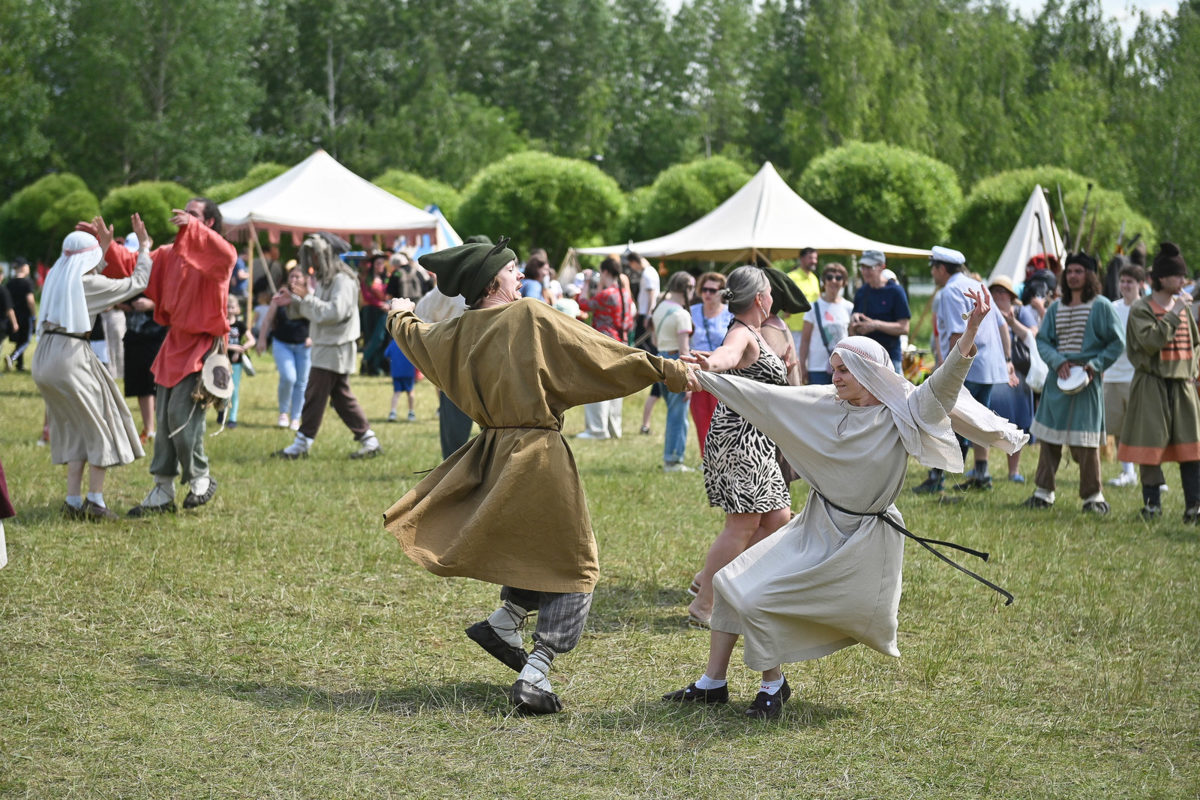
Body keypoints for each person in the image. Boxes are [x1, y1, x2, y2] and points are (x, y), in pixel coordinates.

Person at [665, 287, 1024, 719]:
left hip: (860, 543)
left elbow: (943, 387)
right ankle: (713, 683)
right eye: (832, 368)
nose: (834, 377)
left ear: (868, 372)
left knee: (759, 597)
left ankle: (772, 686)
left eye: (844, 370)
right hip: (814, 526)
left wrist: (968, 333)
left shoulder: (904, 413)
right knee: (729, 583)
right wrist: (704, 376)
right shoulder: (824, 403)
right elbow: (764, 398)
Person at [383, 237, 696, 715]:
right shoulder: (528, 314)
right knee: (575, 565)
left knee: (536, 548)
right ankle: (537, 670)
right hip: (537, 457)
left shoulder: (452, 333)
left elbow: (413, 336)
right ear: (492, 281)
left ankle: (506, 621)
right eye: (512, 271)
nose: (521, 276)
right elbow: (596, 351)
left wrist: (398, 312)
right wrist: (666, 370)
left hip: (491, 456)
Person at [91, 198, 237, 516]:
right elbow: (133, 266)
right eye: (184, 213)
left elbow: (227, 255)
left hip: (203, 346)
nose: (183, 218)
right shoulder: (170, 254)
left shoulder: (218, 254)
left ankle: (201, 477)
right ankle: (162, 489)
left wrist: (194, 228)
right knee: (163, 418)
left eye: (194, 215)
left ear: (209, 223)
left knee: (181, 417)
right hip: (173, 344)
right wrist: (107, 248)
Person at [685, 266, 793, 630]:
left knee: (778, 520)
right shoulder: (741, 334)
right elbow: (726, 356)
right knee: (743, 522)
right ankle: (705, 604)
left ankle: (709, 577)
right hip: (739, 440)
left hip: (758, 439)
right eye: (771, 292)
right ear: (761, 298)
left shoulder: (758, 333)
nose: (774, 297)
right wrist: (710, 363)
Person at [33, 220, 153, 519]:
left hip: (45, 356)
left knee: (75, 427)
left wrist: (104, 246)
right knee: (103, 422)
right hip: (70, 355)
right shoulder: (86, 284)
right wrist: (145, 247)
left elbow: (86, 267)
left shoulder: (56, 278)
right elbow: (136, 284)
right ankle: (95, 501)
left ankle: (73, 502)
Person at [1023, 253, 1124, 514]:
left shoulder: (1102, 306)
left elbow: (1117, 342)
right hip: (1058, 379)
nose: (1073, 276)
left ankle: (1093, 496)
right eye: (1069, 271)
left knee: (1086, 442)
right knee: (1048, 438)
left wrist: (1094, 366)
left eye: (1079, 271)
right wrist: (1057, 362)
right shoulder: (1056, 307)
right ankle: (1043, 492)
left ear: (1089, 275)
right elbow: (1043, 341)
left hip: (1087, 381)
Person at [915, 248, 1014, 494]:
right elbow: (1003, 327)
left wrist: (949, 370)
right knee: (979, 420)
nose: (933, 273)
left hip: (967, 366)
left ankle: (938, 476)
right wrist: (1007, 359)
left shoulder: (949, 291)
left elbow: (958, 335)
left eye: (933, 268)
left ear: (941, 268)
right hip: (989, 366)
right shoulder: (980, 286)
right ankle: (982, 472)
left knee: (948, 420)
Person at [273, 236, 381, 460]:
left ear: (327, 254)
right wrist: (294, 301)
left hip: (336, 346)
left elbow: (334, 313)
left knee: (315, 394)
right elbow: (317, 312)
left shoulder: (342, 280)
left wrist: (305, 299)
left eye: (315, 253)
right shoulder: (326, 280)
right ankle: (369, 441)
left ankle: (302, 443)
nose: (311, 259)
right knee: (341, 398)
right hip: (328, 345)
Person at [1118, 243, 1200, 521]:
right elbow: (1151, 342)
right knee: (1149, 446)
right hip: (1152, 383)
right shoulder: (1143, 308)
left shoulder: (1182, 307)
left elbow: (1196, 343)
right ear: (1163, 278)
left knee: (1192, 447)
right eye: (1178, 276)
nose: (1183, 281)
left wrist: (1193, 368)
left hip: (1183, 385)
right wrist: (1175, 313)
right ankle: (1152, 505)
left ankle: (1194, 507)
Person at [576, 257, 635, 439]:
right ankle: (613, 428)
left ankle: (597, 429)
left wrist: (586, 281)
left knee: (596, 383)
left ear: (606, 272)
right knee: (615, 387)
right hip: (621, 342)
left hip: (605, 343)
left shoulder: (607, 294)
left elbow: (583, 303)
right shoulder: (624, 293)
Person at [987, 276, 1039, 482]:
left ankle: (1013, 471)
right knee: (986, 422)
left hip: (1017, 375)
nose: (999, 296)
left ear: (1011, 295)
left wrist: (1011, 322)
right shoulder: (985, 312)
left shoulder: (1021, 312)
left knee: (1016, 423)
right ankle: (983, 468)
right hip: (992, 373)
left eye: (1003, 292)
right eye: (995, 292)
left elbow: (1032, 335)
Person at [1104, 262, 1147, 488]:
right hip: (1112, 376)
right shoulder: (1112, 307)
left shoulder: (1145, 308)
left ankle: (1151, 475)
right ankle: (1127, 472)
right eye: (1123, 281)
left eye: (1130, 281)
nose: (1125, 285)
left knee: (1140, 428)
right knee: (1119, 428)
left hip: (1136, 377)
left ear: (1140, 284)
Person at [256, 264, 312, 431]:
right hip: (282, 343)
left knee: (302, 382)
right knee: (289, 378)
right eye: (292, 276)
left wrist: (312, 337)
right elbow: (267, 319)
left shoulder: (309, 298)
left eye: (298, 277)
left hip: (304, 344)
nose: (294, 280)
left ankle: (295, 417)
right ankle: (283, 413)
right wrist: (261, 339)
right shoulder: (280, 296)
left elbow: (317, 319)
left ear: (305, 280)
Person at [650, 271, 695, 471]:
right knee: (679, 415)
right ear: (687, 289)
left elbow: (653, 340)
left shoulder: (660, 308)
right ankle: (674, 459)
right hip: (677, 361)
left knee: (672, 412)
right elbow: (685, 352)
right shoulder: (682, 314)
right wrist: (689, 381)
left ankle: (671, 457)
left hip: (660, 360)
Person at [688, 271, 733, 456]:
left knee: (721, 417)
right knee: (700, 415)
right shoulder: (692, 312)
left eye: (712, 290)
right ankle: (706, 456)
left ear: (721, 292)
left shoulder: (729, 314)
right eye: (704, 289)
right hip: (697, 371)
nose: (707, 293)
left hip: (721, 371)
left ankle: (723, 455)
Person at [850, 250, 911, 373]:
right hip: (865, 358)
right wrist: (854, 322)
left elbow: (904, 328)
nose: (865, 271)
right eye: (863, 267)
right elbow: (851, 331)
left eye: (869, 267)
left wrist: (875, 325)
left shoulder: (895, 292)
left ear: (882, 267)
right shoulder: (861, 292)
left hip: (890, 358)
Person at [799, 263, 852, 385]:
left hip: (843, 367)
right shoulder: (813, 307)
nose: (834, 281)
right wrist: (802, 365)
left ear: (843, 282)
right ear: (824, 281)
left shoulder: (849, 307)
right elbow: (805, 340)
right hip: (817, 367)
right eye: (829, 277)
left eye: (838, 278)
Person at [359, 252, 390, 376]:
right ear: (373, 265)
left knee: (381, 339)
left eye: (382, 263)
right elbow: (366, 295)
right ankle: (367, 365)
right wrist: (380, 304)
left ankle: (378, 365)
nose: (380, 266)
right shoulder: (367, 279)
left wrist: (387, 303)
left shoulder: (386, 278)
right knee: (371, 338)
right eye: (378, 264)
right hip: (370, 311)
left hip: (384, 311)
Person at [785, 247, 820, 352]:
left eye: (815, 258)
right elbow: (784, 303)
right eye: (810, 258)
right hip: (796, 330)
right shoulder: (791, 277)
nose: (814, 261)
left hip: (813, 329)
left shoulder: (814, 278)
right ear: (801, 259)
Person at [5, 257, 36, 371]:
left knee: (19, 339)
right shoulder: (27, 282)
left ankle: (20, 365)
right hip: (25, 315)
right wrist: (34, 316)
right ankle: (12, 357)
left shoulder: (10, 282)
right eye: (27, 265)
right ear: (23, 267)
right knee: (26, 340)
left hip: (13, 316)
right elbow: (30, 301)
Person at [385, 336, 417, 422]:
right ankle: (411, 413)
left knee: (396, 393)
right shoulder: (410, 344)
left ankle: (393, 412)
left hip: (396, 373)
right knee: (410, 392)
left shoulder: (393, 343)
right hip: (408, 373)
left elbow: (386, 354)